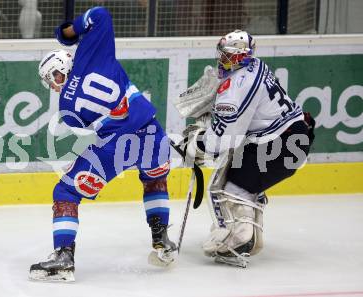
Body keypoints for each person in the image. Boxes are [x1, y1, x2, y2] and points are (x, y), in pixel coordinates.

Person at [29, 6, 176, 282]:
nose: (53, 86)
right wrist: (67, 34)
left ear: (61, 69)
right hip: (152, 133)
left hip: (114, 146)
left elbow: (86, 126)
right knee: (155, 180)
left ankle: (63, 256)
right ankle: (162, 240)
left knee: (65, 192)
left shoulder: (65, 106)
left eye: (53, 78)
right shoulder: (90, 52)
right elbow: (101, 15)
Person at [174, 29, 315, 267]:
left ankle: (240, 240)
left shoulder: (235, 88)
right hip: (291, 135)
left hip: (284, 143)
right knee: (240, 180)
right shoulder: (254, 65)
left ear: (242, 56)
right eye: (222, 54)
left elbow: (224, 139)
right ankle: (251, 237)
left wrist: (197, 144)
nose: (223, 60)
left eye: (229, 56)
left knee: (229, 190)